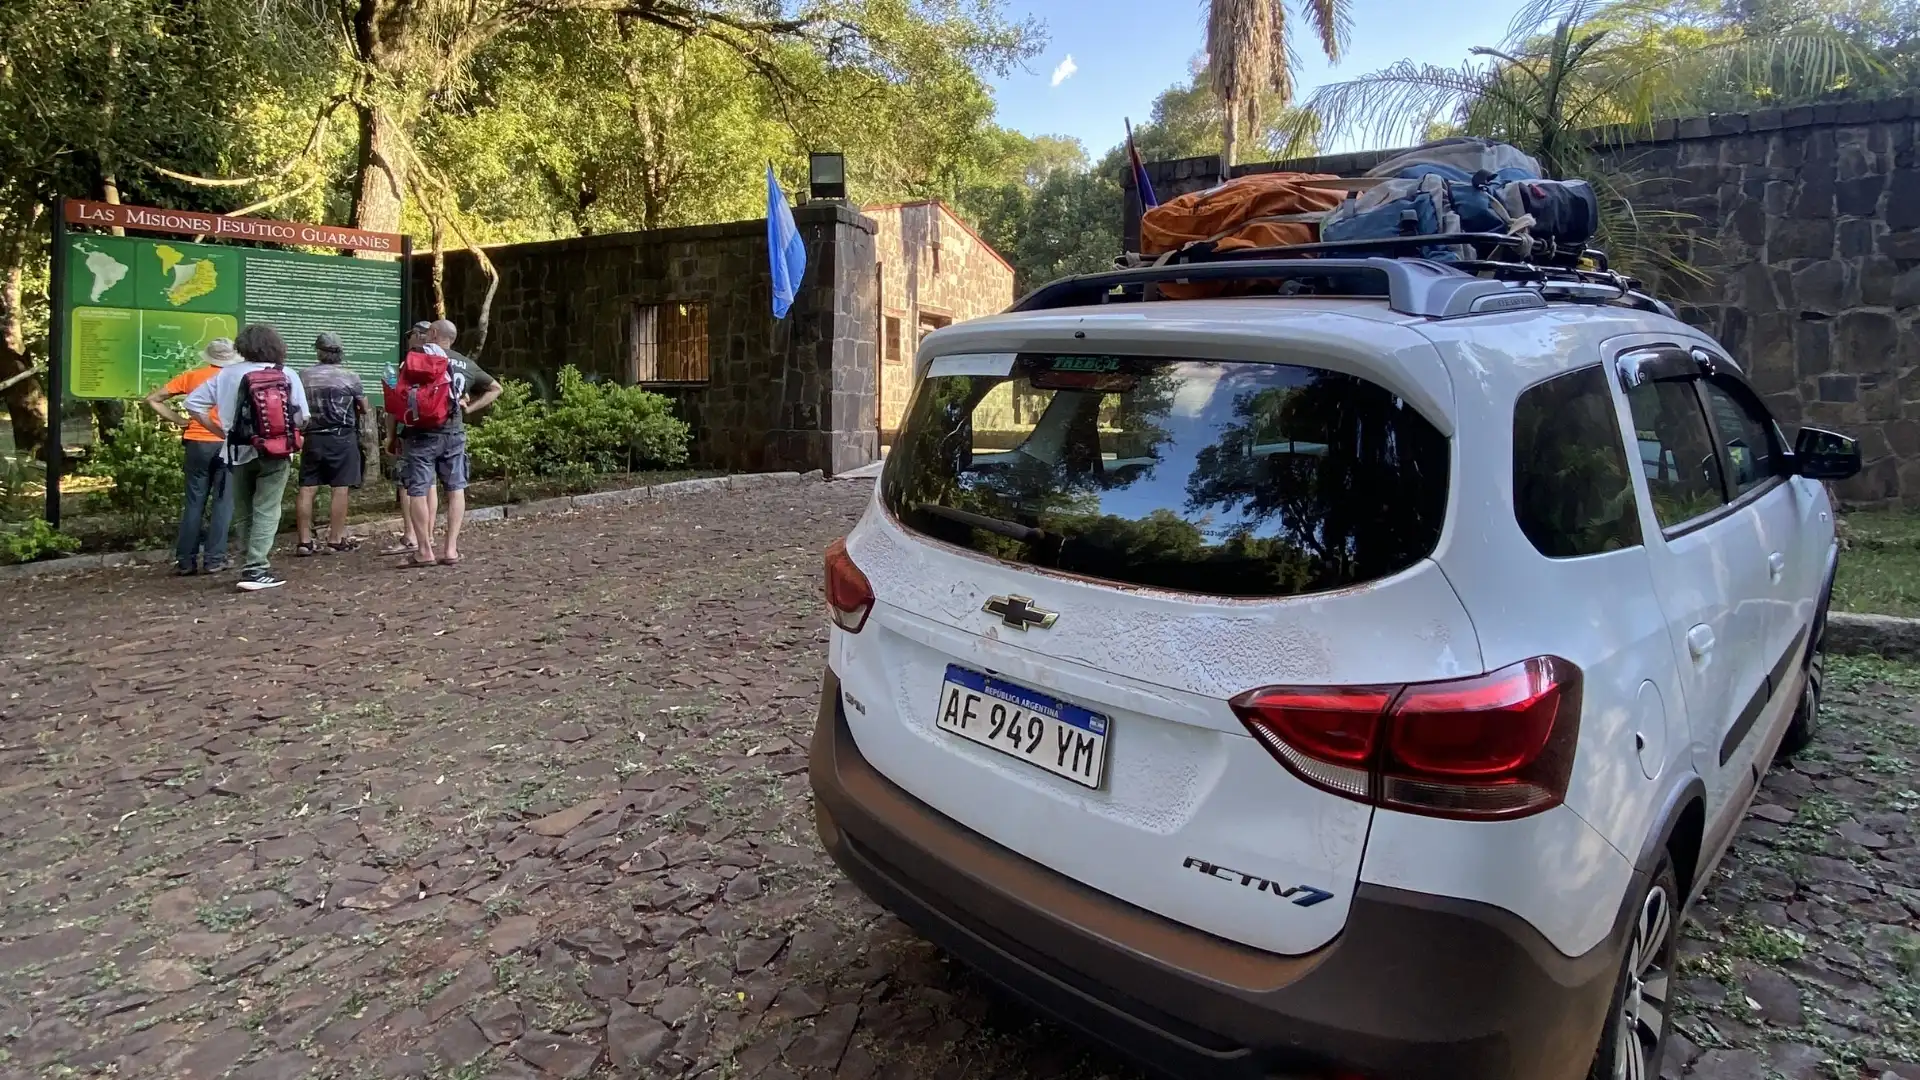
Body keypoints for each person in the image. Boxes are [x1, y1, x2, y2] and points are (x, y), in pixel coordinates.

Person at [185, 324, 308, 592]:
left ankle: (247, 563)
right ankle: (256, 568)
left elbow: (193, 404)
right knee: (267, 507)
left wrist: (220, 430)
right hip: (276, 451)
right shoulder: (286, 374)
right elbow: (302, 417)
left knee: (243, 509)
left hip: (237, 451)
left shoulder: (227, 374)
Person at [401, 318, 500, 566]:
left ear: (433, 333)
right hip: (453, 432)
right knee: (456, 490)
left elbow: (398, 396)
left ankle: (424, 551)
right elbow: (496, 388)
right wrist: (470, 408)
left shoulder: (415, 358)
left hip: (420, 433)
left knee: (418, 491)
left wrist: (392, 435)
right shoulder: (465, 363)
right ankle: (451, 550)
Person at [146, 339, 238, 575]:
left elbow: (153, 399)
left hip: (196, 443)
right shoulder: (237, 378)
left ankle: (185, 561)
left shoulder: (191, 377)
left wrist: (180, 421)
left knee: (194, 502)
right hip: (226, 443)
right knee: (223, 503)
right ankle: (215, 559)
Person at [295, 332, 366, 556]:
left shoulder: (303, 376)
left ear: (318, 351)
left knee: (307, 488)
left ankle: (304, 541)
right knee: (340, 487)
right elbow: (363, 407)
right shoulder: (350, 377)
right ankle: (335, 539)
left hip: (313, 436)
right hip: (341, 436)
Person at [382, 321, 439, 557]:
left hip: (411, 429)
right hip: (437, 428)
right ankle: (429, 534)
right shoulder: (441, 361)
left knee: (408, 485)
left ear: (417, 336)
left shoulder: (410, 363)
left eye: (410, 335)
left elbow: (396, 403)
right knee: (431, 484)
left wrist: (391, 435)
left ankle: (411, 536)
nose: (408, 340)